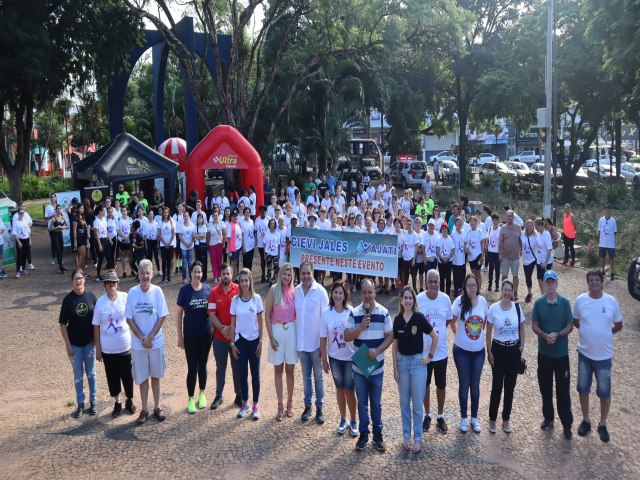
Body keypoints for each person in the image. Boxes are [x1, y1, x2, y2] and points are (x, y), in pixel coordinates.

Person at [573, 270, 623, 443]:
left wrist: (604, 335)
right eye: (591, 280)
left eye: (597, 280)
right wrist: (589, 333)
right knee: (583, 388)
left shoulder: (611, 302)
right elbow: (576, 321)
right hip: (585, 354)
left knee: (604, 391)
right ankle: (586, 420)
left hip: (604, 356)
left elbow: (618, 325)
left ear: (602, 282)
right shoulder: (580, 301)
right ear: (587, 283)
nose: (594, 282)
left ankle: (602, 423)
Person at [344, 278, 394, 452]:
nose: (367, 296)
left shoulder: (384, 312)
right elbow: (347, 336)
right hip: (359, 369)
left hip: (377, 368)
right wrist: (360, 327)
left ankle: (378, 435)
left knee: (376, 404)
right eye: (364, 292)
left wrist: (378, 351)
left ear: (375, 292)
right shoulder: (355, 313)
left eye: (370, 292)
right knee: (362, 403)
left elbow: (390, 336)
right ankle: (364, 435)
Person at [392, 286, 438, 453]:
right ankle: (406, 435)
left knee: (417, 404)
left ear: (414, 300)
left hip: (418, 364)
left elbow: (435, 336)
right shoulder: (397, 319)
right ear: (401, 300)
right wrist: (395, 368)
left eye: (411, 298)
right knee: (404, 402)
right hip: (402, 364)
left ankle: (417, 438)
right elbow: (394, 344)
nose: (408, 301)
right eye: (405, 297)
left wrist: (430, 357)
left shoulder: (419, 318)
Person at [125, 260, 169, 424]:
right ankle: (144, 409)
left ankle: (157, 406)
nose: (145, 276)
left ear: (152, 274)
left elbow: (162, 316)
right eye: (142, 272)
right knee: (143, 377)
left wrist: (150, 337)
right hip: (138, 344)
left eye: (147, 273)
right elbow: (129, 318)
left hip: (156, 342)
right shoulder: (132, 292)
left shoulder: (157, 291)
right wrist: (142, 338)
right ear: (138, 274)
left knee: (156, 376)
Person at [531, 270, 574, 439]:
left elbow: (570, 325)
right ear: (545, 283)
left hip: (561, 355)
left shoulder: (564, 303)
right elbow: (534, 324)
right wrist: (543, 335)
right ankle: (548, 418)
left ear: (557, 283)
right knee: (545, 388)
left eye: (552, 282)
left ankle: (566, 423)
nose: (550, 285)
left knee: (563, 390)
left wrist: (559, 335)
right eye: (547, 282)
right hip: (544, 354)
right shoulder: (539, 303)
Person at [92, 271, 136, 418]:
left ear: (118, 284)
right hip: (108, 348)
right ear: (105, 285)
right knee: (112, 376)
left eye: (114, 283)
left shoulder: (125, 297)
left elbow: (132, 318)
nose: (112, 285)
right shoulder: (100, 302)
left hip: (124, 346)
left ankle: (129, 400)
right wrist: (98, 349)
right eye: (109, 283)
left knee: (127, 375)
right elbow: (96, 326)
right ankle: (117, 402)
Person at [485, 280, 525, 434]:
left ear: (512, 291)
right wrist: (489, 352)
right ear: (501, 291)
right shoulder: (494, 308)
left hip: (513, 350)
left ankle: (506, 418)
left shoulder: (517, 307)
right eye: (505, 290)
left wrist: (522, 345)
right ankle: (492, 418)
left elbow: (522, 327)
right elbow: (488, 332)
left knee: (510, 386)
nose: (507, 293)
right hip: (498, 349)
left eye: (510, 290)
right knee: (497, 386)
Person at [320, 281, 358, 436]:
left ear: (345, 295)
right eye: (335, 292)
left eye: (340, 293)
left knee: (350, 390)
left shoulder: (351, 311)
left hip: (350, 358)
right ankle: (343, 419)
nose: (337, 295)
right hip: (334, 358)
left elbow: (358, 333)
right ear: (331, 294)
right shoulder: (326, 313)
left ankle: (354, 420)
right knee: (340, 389)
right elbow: (323, 338)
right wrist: (324, 359)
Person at [417, 269, 453, 433]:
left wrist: (437, 336)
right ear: (425, 283)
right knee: (425, 385)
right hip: (424, 353)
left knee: (441, 385)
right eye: (430, 281)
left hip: (441, 352)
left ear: (439, 283)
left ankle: (440, 415)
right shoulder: (419, 299)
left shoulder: (445, 299)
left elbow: (447, 321)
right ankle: (428, 414)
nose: (433, 284)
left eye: (435, 281)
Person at [451, 274, 488, 433]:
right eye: (469, 285)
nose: (472, 288)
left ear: (477, 286)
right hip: (461, 352)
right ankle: (464, 418)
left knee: (475, 386)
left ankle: (474, 418)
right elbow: (452, 320)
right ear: (465, 287)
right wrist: (457, 334)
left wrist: (478, 335)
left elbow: (484, 321)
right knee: (464, 384)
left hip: (478, 351)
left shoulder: (483, 301)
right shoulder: (459, 302)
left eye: (474, 285)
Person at [59, 269, 98, 418]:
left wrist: (96, 339)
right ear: (72, 282)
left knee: (92, 374)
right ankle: (80, 403)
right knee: (78, 375)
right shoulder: (68, 300)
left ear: (84, 280)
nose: (78, 281)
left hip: (89, 343)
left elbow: (97, 320)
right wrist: (67, 344)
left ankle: (93, 401)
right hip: (74, 345)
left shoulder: (91, 296)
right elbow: (62, 324)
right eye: (75, 279)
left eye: (80, 278)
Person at [295, 261, 329, 423]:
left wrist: (324, 346)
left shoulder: (321, 292)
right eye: (303, 273)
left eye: (309, 273)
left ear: (313, 273)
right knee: (306, 378)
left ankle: (319, 408)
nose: (306, 276)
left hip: (316, 345)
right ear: (300, 274)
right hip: (302, 345)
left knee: (318, 377)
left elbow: (326, 319)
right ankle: (307, 406)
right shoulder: (296, 291)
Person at [176, 261, 213, 414]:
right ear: (190, 273)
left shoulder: (207, 289)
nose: (197, 274)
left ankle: (202, 393)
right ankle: (191, 398)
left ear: (202, 273)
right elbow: (178, 314)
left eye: (199, 272)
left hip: (206, 334)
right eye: (194, 272)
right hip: (190, 336)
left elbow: (212, 312)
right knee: (193, 367)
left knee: (203, 365)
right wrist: (180, 337)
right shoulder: (184, 291)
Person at [264, 263, 298, 421]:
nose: (286, 277)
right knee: (278, 370)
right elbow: (267, 315)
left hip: (291, 331)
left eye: (289, 275)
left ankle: (290, 403)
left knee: (290, 369)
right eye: (284, 274)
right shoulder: (273, 290)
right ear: (280, 274)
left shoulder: (295, 291)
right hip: (277, 331)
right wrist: (270, 337)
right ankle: (280, 405)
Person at [229, 268, 264, 420]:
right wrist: (232, 343)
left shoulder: (257, 299)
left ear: (250, 281)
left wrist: (261, 342)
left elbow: (261, 323)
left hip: (254, 341)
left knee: (255, 374)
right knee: (242, 374)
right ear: (239, 282)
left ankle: (255, 405)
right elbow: (232, 325)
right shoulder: (235, 301)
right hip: (240, 342)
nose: (244, 283)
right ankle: (245, 403)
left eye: (246, 280)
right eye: (241, 280)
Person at [208, 263, 242, 410]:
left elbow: (243, 311)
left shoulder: (239, 290)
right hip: (220, 337)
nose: (226, 276)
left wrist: (232, 329)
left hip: (236, 338)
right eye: (223, 274)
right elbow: (211, 314)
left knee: (237, 367)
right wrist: (222, 328)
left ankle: (239, 395)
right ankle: (218, 395)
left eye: (228, 274)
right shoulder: (214, 292)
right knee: (220, 367)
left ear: (232, 275)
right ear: (220, 276)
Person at [498, 210, 522, 300]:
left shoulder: (518, 227)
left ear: (513, 217)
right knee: (504, 276)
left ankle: (515, 292)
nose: (508, 218)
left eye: (510, 216)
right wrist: (500, 254)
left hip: (515, 256)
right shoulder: (503, 228)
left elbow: (522, 240)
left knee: (515, 276)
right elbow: (500, 242)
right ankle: (503, 293)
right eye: (507, 216)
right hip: (505, 257)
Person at [598, 204, 617, 280]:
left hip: (610, 243)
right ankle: (603, 271)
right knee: (602, 257)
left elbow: (615, 232)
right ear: (604, 211)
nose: (607, 211)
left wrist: (610, 238)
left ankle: (612, 273)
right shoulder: (601, 220)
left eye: (608, 210)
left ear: (610, 211)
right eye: (606, 210)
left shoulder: (613, 221)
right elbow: (599, 231)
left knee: (611, 258)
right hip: (602, 242)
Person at [521, 218, 538, 303]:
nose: (529, 227)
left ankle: (529, 293)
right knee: (527, 276)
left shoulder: (536, 235)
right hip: (525, 259)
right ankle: (529, 292)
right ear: (526, 226)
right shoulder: (522, 234)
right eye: (528, 225)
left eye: (531, 225)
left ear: (533, 226)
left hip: (532, 259)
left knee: (529, 276)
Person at [535, 218, 553, 294]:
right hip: (539, 260)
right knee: (539, 278)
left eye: (537, 227)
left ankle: (547, 295)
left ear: (541, 225)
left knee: (546, 280)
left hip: (546, 261)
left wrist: (546, 262)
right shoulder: (539, 234)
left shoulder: (546, 235)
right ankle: (543, 294)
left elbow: (549, 249)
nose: (536, 229)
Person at [48, 204, 69, 274]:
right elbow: (50, 229)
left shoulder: (62, 217)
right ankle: (61, 267)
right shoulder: (54, 218)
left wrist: (63, 227)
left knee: (61, 249)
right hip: (55, 235)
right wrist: (56, 228)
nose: (59, 210)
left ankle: (61, 267)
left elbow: (68, 226)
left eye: (60, 209)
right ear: (56, 210)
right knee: (58, 250)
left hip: (60, 235)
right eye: (58, 209)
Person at [12, 207, 32, 278]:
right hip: (20, 240)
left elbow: (28, 231)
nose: (22, 214)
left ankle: (23, 269)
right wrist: (18, 242)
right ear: (18, 214)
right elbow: (14, 233)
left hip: (26, 239)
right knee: (19, 256)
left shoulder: (25, 221)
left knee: (25, 255)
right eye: (20, 213)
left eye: (23, 213)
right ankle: (18, 271)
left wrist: (30, 240)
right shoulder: (16, 222)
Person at [158, 207, 176, 284]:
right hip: (163, 244)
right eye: (164, 212)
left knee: (169, 260)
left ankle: (168, 277)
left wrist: (169, 243)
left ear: (168, 213)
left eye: (166, 212)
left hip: (170, 244)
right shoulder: (160, 221)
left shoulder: (172, 221)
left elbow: (173, 233)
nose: (165, 214)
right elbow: (159, 234)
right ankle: (163, 277)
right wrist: (165, 243)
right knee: (164, 261)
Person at [178, 212, 196, 283]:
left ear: (189, 217)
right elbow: (180, 236)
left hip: (191, 246)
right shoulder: (181, 225)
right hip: (183, 247)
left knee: (190, 263)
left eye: (187, 216)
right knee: (184, 263)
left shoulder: (192, 225)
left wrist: (191, 242)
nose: (186, 217)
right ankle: (184, 278)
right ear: (183, 217)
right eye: (185, 216)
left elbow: (194, 235)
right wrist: (185, 244)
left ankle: (191, 277)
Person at [486, 213, 501, 292]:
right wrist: (486, 250)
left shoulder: (500, 229)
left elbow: (502, 241)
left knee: (497, 269)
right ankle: (490, 284)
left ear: (498, 221)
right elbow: (487, 240)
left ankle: (497, 285)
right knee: (491, 267)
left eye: (496, 220)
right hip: (490, 251)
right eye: (493, 220)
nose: (494, 222)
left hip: (497, 252)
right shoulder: (489, 229)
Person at [44, 192, 58, 267]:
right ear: (50, 199)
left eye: (54, 197)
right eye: (51, 197)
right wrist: (52, 215)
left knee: (59, 243)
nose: (53, 198)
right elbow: (45, 218)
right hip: (51, 227)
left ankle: (59, 258)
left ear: (56, 198)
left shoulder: (58, 206)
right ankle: (54, 258)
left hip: (58, 227)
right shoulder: (48, 207)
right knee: (53, 243)